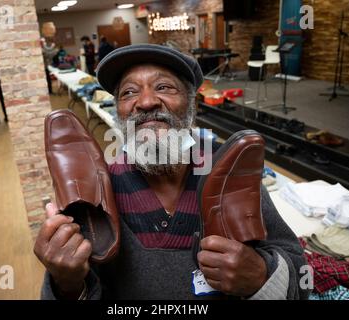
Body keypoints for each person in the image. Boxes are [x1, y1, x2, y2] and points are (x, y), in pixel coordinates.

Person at [36, 44, 310, 300]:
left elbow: (302, 275)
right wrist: (66, 282)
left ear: (192, 106)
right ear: (118, 111)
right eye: (128, 92)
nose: (145, 102)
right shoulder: (101, 190)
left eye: (164, 87)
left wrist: (261, 274)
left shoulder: (229, 170)